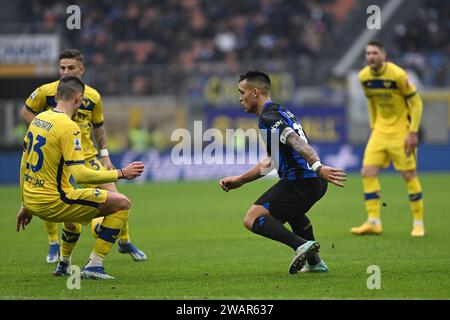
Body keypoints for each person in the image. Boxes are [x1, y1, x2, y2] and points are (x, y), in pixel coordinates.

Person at [21, 49, 147, 264]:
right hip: (58, 157)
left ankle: (123, 241)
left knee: (113, 195)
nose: (65, 71)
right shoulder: (47, 91)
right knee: (56, 195)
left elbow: (98, 126)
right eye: (62, 67)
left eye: (70, 68)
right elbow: (26, 112)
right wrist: (48, 131)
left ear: (81, 69)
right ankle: (57, 245)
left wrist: (105, 156)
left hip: (86, 155)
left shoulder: (93, 96)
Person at [219, 71, 346, 274]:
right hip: (312, 181)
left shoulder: (270, 117)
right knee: (294, 214)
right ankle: (314, 262)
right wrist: (240, 180)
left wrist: (317, 166)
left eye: (241, 92)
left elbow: (295, 140)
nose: (239, 97)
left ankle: (301, 246)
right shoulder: (278, 113)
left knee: (252, 218)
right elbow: (270, 162)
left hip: (302, 180)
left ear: (255, 92)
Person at [350, 40, 425, 237]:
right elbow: (372, 102)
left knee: (409, 175)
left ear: (384, 56)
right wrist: (374, 125)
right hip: (380, 132)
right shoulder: (363, 77)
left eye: (375, 53)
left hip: (401, 131)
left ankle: (418, 223)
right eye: (368, 53)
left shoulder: (398, 74)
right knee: (367, 172)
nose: (371, 57)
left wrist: (413, 131)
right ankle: (373, 221)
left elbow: (416, 103)